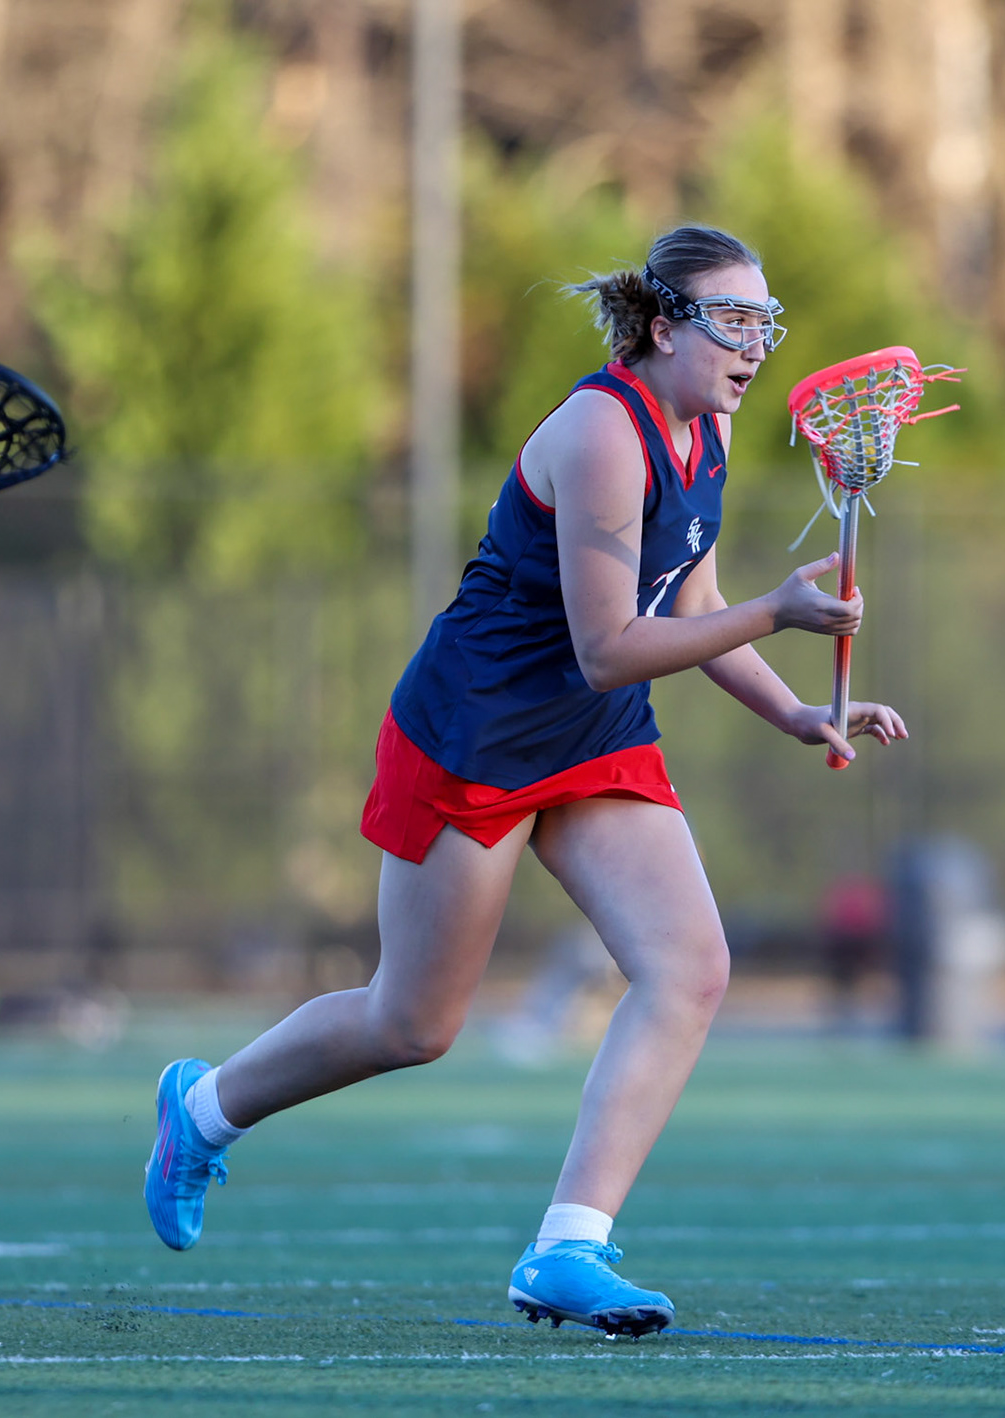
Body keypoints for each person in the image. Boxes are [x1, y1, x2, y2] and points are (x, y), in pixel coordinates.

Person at [143, 226, 907, 1335]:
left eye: (764, 324)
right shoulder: (602, 429)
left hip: (592, 734)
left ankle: (568, 1247)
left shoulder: (712, 431)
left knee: (689, 969)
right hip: (478, 734)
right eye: (730, 322)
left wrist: (792, 703)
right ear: (660, 324)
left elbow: (687, 596)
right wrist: (780, 610)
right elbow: (607, 640)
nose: (753, 348)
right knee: (413, 1024)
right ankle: (203, 1111)